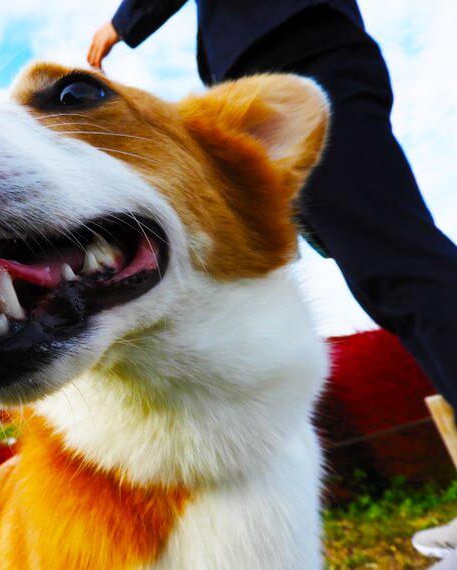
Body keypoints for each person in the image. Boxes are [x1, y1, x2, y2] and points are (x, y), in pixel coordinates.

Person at [89, 0, 457, 559]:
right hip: (291, 55)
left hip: (295, 50)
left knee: (398, 267)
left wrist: (122, 22)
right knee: (383, 274)